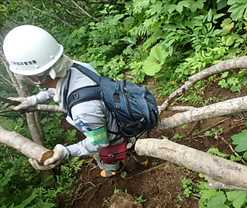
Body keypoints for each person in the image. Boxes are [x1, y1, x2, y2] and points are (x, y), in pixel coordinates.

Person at [2, 25, 158, 177]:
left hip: (115, 135)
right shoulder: (78, 67)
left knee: (109, 155)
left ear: (36, 78)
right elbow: (54, 88)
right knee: (128, 145)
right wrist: (33, 100)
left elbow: (100, 143)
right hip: (118, 113)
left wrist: (66, 151)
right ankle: (139, 158)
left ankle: (114, 170)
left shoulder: (83, 109)